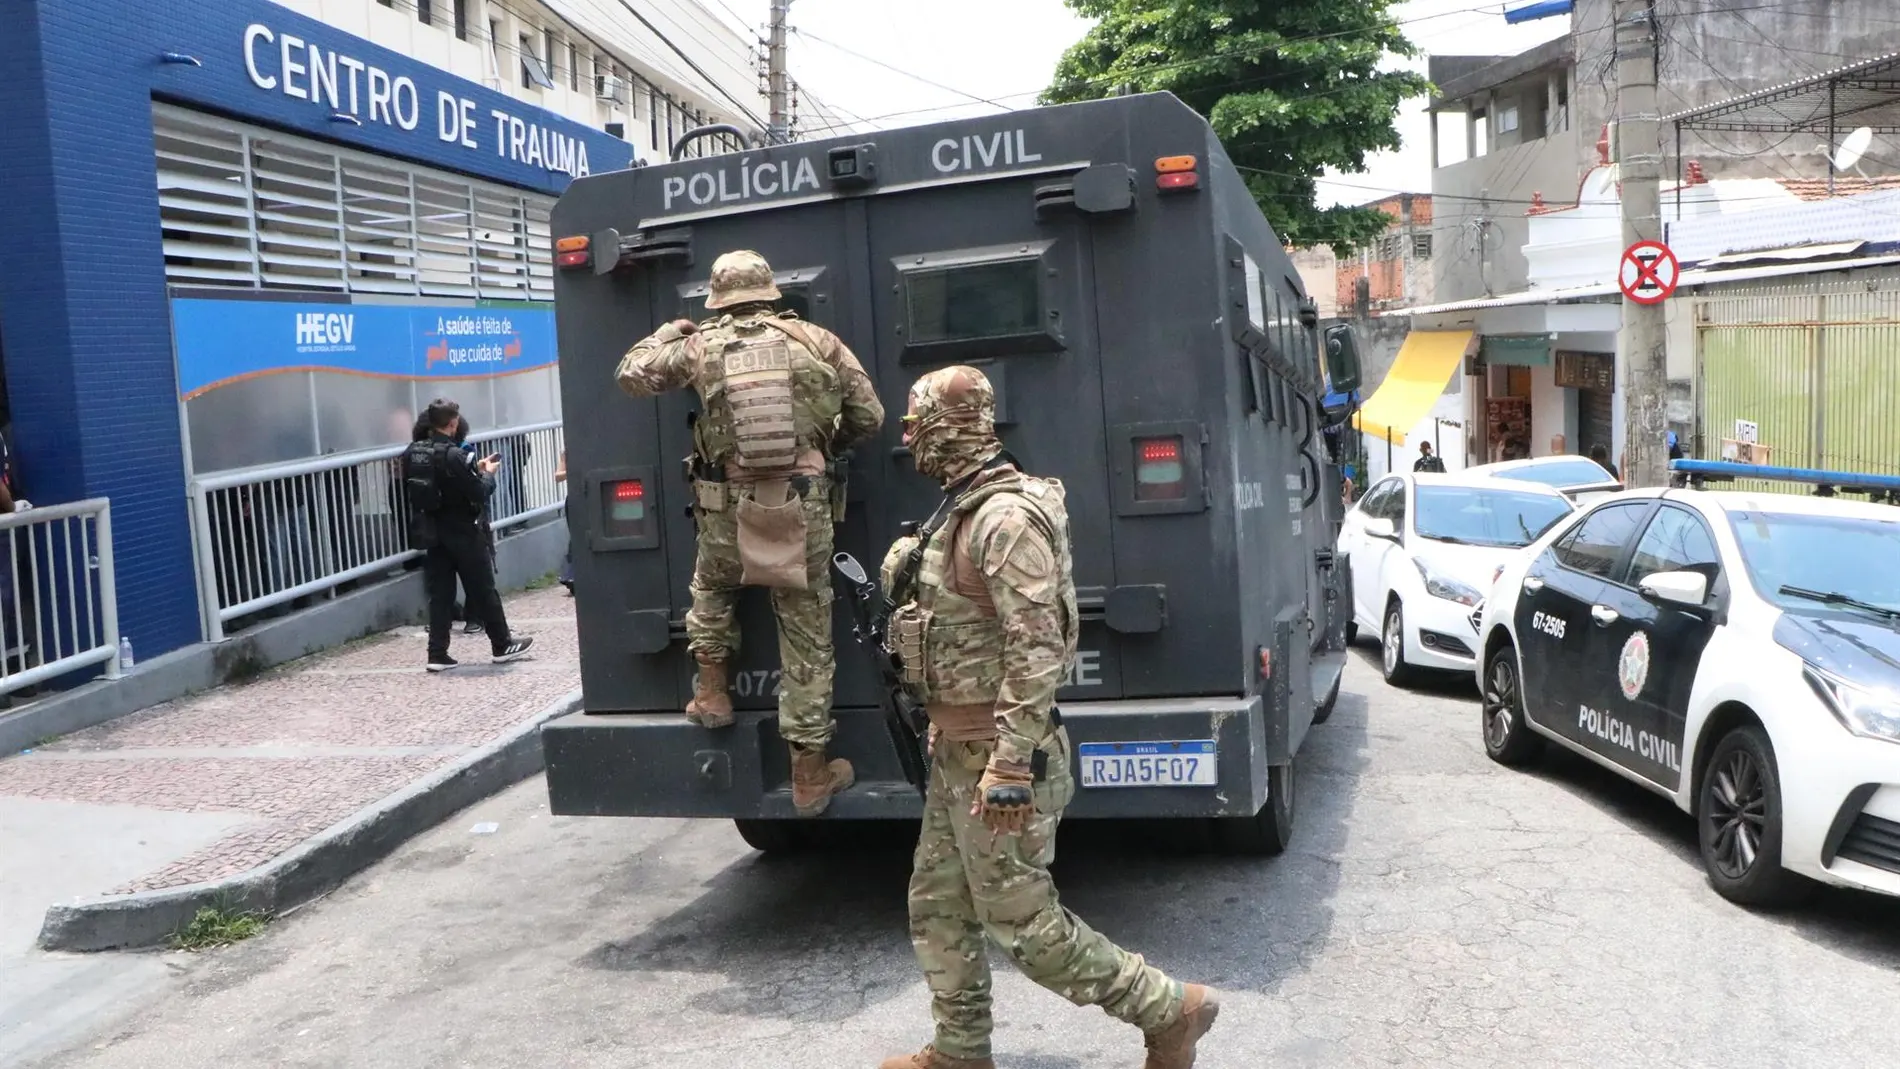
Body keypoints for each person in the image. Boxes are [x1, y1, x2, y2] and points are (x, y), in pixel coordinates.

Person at [875, 366, 1219, 1069]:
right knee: (937, 904)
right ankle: (960, 1050)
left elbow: (1038, 647)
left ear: (949, 427)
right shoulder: (962, 508)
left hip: (999, 757)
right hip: (957, 748)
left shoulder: (1003, 519)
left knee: (1024, 925)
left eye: (917, 426)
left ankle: (1169, 1007)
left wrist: (1007, 763)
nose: (908, 440)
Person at [616, 249, 884, 816]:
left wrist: (669, 329)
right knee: (808, 638)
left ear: (718, 298)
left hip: (723, 505)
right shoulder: (817, 341)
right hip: (802, 505)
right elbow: (870, 415)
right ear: (769, 292)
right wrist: (825, 446)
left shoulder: (699, 346)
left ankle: (712, 693)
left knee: (713, 585)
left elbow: (631, 372)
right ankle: (811, 776)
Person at [403, 398, 534, 672]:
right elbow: (479, 491)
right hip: (463, 530)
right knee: (483, 588)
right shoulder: (455, 455)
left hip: (433, 532)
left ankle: (437, 652)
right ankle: (502, 644)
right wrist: (488, 474)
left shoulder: (414, 451)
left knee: (441, 594)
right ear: (453, 423)